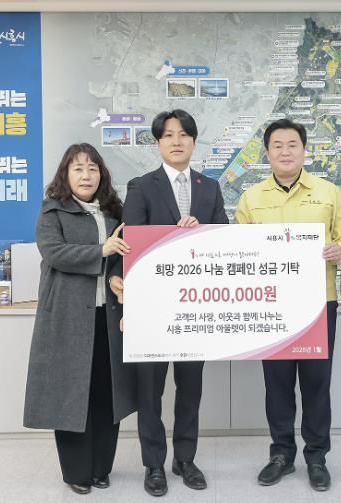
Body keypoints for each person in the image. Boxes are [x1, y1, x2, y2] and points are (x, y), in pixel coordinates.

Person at [234, 119, 341, 491]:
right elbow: (235, 250)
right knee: (277, 385)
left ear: (304, 150)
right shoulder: (251, 198)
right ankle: (282, 455)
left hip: (318, 304)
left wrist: (338, 251)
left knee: (317, 385)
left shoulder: (328, 192)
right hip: (271, 305)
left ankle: (317, 457)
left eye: (292, 144)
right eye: (278, 145)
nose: (285, 151)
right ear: (267, 152)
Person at [109, 109, 228, 497]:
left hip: (194, 309)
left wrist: (201, 230)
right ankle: (154, 464)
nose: (176, 141)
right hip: (152, 308)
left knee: (190, 389)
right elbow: (130, 244)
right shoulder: (142, 186)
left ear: (194, 142)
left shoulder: (210, 188)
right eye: (168, 135)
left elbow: (224, 241)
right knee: (150, 391)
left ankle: (185, 460)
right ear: (158, 143)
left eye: (183, 135)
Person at [23, 143, 138, 495]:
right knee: (72, 396)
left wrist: (117, 274)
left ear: (101, 173)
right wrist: (101, 250)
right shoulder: (52, 212)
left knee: (107, 395)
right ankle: (76, 472)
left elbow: (125, 258)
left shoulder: (114, 212)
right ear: (66, 174)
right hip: (68, 319)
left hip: (109, 319)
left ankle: (102, 468)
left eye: (92, 168)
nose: (86, 175)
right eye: (78, 168)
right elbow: (55, 253)